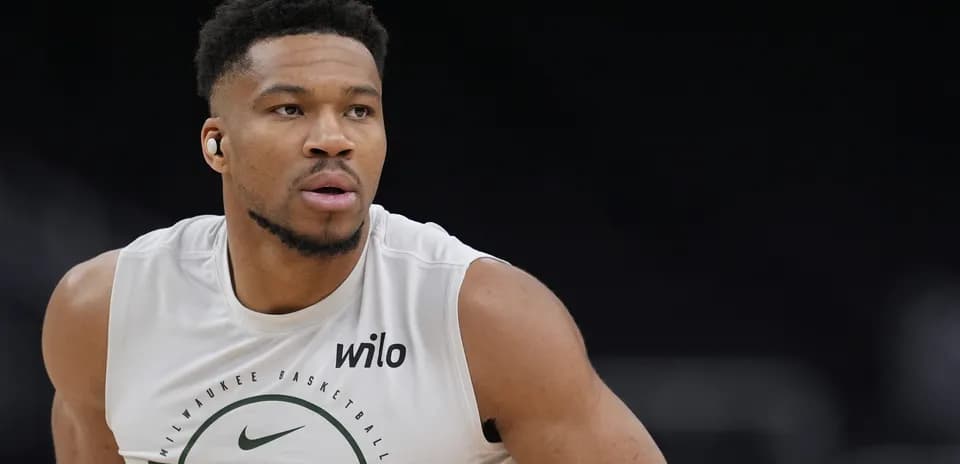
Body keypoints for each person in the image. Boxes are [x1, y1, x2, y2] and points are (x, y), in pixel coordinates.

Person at [40, 1, 668, 462]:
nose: (332, 137)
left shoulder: (485, 316)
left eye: (359, 111)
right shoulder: (103, 313)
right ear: (217, 144)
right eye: (290, 109)